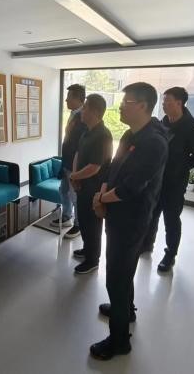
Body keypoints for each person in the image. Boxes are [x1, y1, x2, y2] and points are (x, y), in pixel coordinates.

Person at [90, 82, 168, 360]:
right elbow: (113, 169)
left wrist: (101, 200)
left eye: (126, 102)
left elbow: (131, 187)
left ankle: (119, 341)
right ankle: (126, 309)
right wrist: (101, 194)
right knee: (123, 271)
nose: (120, 107)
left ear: (144, 106)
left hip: (131, 220)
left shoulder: (154, 142)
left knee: (116, 278)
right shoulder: (129, 134)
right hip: (116, 213)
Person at [141, 86, 194, 272]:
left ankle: (170, 255)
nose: (163, 104)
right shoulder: (162, 124)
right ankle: (147, 244)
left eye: (167, 101)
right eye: (163, 101)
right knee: (151, 214)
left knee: (171, 220)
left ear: (179, 103)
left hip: (175, 184)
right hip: (156, 180)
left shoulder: (193, 130)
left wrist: (181, 167)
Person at [70, 94, 112, 274]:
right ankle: (87, 249)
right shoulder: (87, 131)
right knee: (84, 222)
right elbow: (78, 154)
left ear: (95, 111)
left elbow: (95, 167)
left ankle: (93, 260)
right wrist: (74, 177)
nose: (82, 110)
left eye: (85, 107)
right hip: (82, 186)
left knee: (93, 225)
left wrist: (75, 176)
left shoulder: (103, 135)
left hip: (94, 189)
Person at [51, 84, 87, 239]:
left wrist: (75, 170)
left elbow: (80, 146)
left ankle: (78, 225)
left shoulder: (84, 117)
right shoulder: (74, 114)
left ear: (79, 99)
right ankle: (67, 216)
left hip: (75, 165)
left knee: (75, 196)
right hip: (66, 162)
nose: (66, 100)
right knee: (63, 190)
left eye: (69, 97)